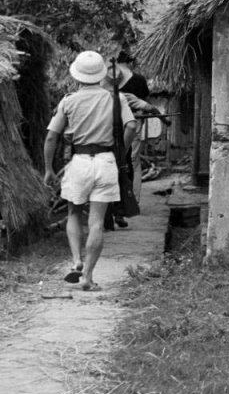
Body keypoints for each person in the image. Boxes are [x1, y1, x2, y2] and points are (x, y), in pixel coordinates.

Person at [43, 50, 137, 291]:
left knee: (74, 213)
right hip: (106, 161)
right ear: (100, 75)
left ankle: (76, 260)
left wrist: (48, 169)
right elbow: (131, 126)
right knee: (96, 222)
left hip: (79, 161)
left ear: (77, 75)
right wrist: (120, 154)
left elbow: (52, 137)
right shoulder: (116, 99)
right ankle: (87, 276)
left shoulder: (69, 100)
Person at [108, 50, 154, 228]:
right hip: (130, 125)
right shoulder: (137, 82)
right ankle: (129, 202)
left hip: (109, 129)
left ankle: (114, 209)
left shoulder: (109, 85)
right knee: (130, 163)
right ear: (131, 63)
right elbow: (145, 105)